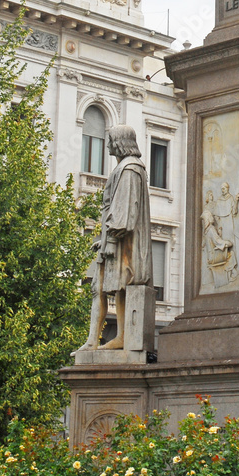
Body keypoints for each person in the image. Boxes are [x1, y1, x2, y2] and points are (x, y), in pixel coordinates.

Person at [82, 125, 152, 350]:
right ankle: (93, 340)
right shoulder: (125, 168)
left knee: (120, 286)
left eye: (111, 140)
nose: (108, 145)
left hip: (121, 242)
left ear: (120, 141)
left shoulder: (130, 168)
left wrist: (110, 238)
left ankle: (121, 336)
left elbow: (124, 211)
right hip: (113, 239)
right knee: (100, 288)